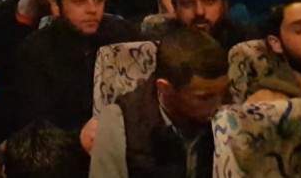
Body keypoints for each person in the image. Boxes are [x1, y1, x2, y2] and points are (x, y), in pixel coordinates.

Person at [10, 0, 139, 161]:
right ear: (56, 7)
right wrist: (78, 136)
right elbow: (33, 125)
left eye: (98, 0)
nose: (92, 10)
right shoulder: (36, 50)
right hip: (62, 155)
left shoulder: (123, 36)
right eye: (80, 1)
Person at [89, 30, 230, 178]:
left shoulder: (228, 116)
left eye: (224, 93)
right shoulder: (121, 121)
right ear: (165, 89)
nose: (218, 105)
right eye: (205, 98)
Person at [144, 0, 251, 50]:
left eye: (209, 1)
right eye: (188, 3)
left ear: (224, 6)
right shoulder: (158, 45)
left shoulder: (245, 44)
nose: (199, 12)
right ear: (175, 8)